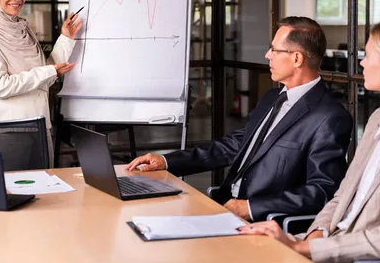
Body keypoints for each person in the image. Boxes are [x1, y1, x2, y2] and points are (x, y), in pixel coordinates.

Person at [239, 18, 380, 263]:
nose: (361, 62)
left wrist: (305, 249)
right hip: (333, 251)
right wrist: (313, 237)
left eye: (368, 55)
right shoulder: (379, 119)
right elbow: (342, 197)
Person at [127, 16, 352, 222]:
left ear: (296, 58)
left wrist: (251, 207)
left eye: (274, 50)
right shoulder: (272, 98)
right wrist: (167, 162)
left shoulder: (329, 117)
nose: (267, 55)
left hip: (261, 222)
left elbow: (323, 190)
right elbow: (233, 146)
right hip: (222, 208)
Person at [0, 0, 82, 169]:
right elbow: (0, 86)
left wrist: (65, 38)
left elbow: (43, 73)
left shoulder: (22, 28)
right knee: (12, 196)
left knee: (45, 196)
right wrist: (50, 71)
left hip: (40, 126)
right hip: (9, 132)